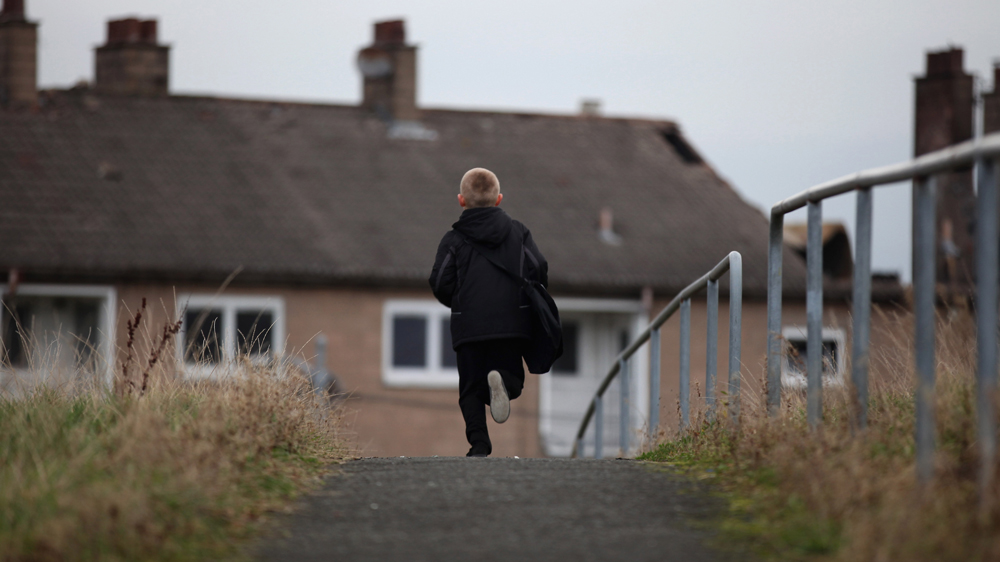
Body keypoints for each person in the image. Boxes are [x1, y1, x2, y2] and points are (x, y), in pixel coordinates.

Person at [429, 168, 549, 458]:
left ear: (461, 200)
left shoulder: (453, 240)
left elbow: (439, 281)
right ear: (499, 200)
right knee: (514, 382)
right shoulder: (519, 232)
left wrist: (459, 303)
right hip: (511, 323)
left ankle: (479, 445)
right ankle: (503, 382)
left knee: (470, 389)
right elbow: (539, 267)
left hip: (469, 326)